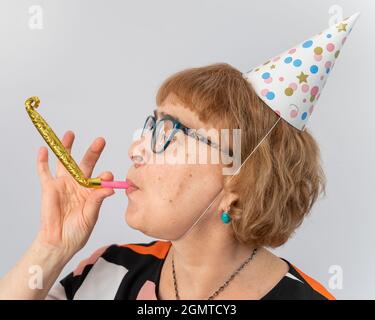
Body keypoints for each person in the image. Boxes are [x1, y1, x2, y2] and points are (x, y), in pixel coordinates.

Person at [0, 63, 333, 299]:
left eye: (169, 132)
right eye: (151, 126)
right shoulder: (106, 271)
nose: (135, 149)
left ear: (240, 182)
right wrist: (50, 249)